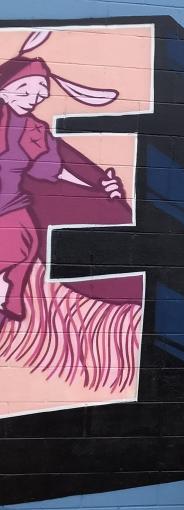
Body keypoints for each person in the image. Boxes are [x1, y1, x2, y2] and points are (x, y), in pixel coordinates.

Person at [0, 31, 126, 323]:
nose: (33, 97)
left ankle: (9, 305)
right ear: (4, 89)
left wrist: (99, 182)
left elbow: (65, 159)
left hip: (13, 206)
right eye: (25, 89)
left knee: (24, 246)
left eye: (40, 90)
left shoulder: (34, 129)